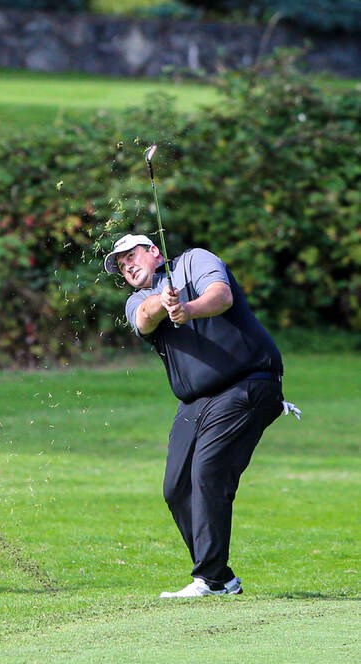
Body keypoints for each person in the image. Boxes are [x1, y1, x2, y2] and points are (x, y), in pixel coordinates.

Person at [103, 233, 299, 599]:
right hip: (196, 401)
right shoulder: (138, 300)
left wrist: (188, 308)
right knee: (176, 487)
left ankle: (208, 579)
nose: (127, 265)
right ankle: (221, 578)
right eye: (120, 264)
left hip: (249, 383)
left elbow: (221, 297)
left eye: (132, 255)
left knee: (208, 471)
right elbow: (145, 320)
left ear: (154, 252)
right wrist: (165, 303)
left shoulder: (195, 260)